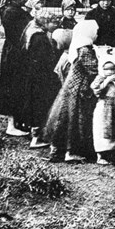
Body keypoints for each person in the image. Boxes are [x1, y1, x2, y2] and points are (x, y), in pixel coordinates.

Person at [45, 20, 100, 162]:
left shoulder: (78, 45)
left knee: (65, 118)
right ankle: (72, 152)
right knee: (75, 120)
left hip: (72, 87)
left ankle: (58, 150)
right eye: (95, 31)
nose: (97, 34)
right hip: (80, 88)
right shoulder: (85, 49)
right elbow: (92, 70)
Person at [16, 10, 62, 149]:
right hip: (40, 78)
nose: (56, 25)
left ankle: (34, 134)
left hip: (34, 77)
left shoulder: (33, 32)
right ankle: (37, 138)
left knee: (35, 104)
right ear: (46, 23)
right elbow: (44, 61)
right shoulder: (40, 38)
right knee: (39, 106)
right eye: (54, 23)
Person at [0, 0, 33, 136]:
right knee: (13, 86)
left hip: (13, 51)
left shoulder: (12, 9)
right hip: (15, 53)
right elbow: (25, 29)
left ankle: (16, 122)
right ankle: (11, 125)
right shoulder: (12, 12)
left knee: (17, 85)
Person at [91, 60, 115, 165]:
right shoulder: (100, 78)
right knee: (102, 130)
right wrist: (107, 80)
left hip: (114, 107)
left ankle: (111, 154)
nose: (109, 72)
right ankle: (100, 155)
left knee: (113, 129)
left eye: (112, 69)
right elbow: (95, 88)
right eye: (106, 69)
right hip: (103, 108)